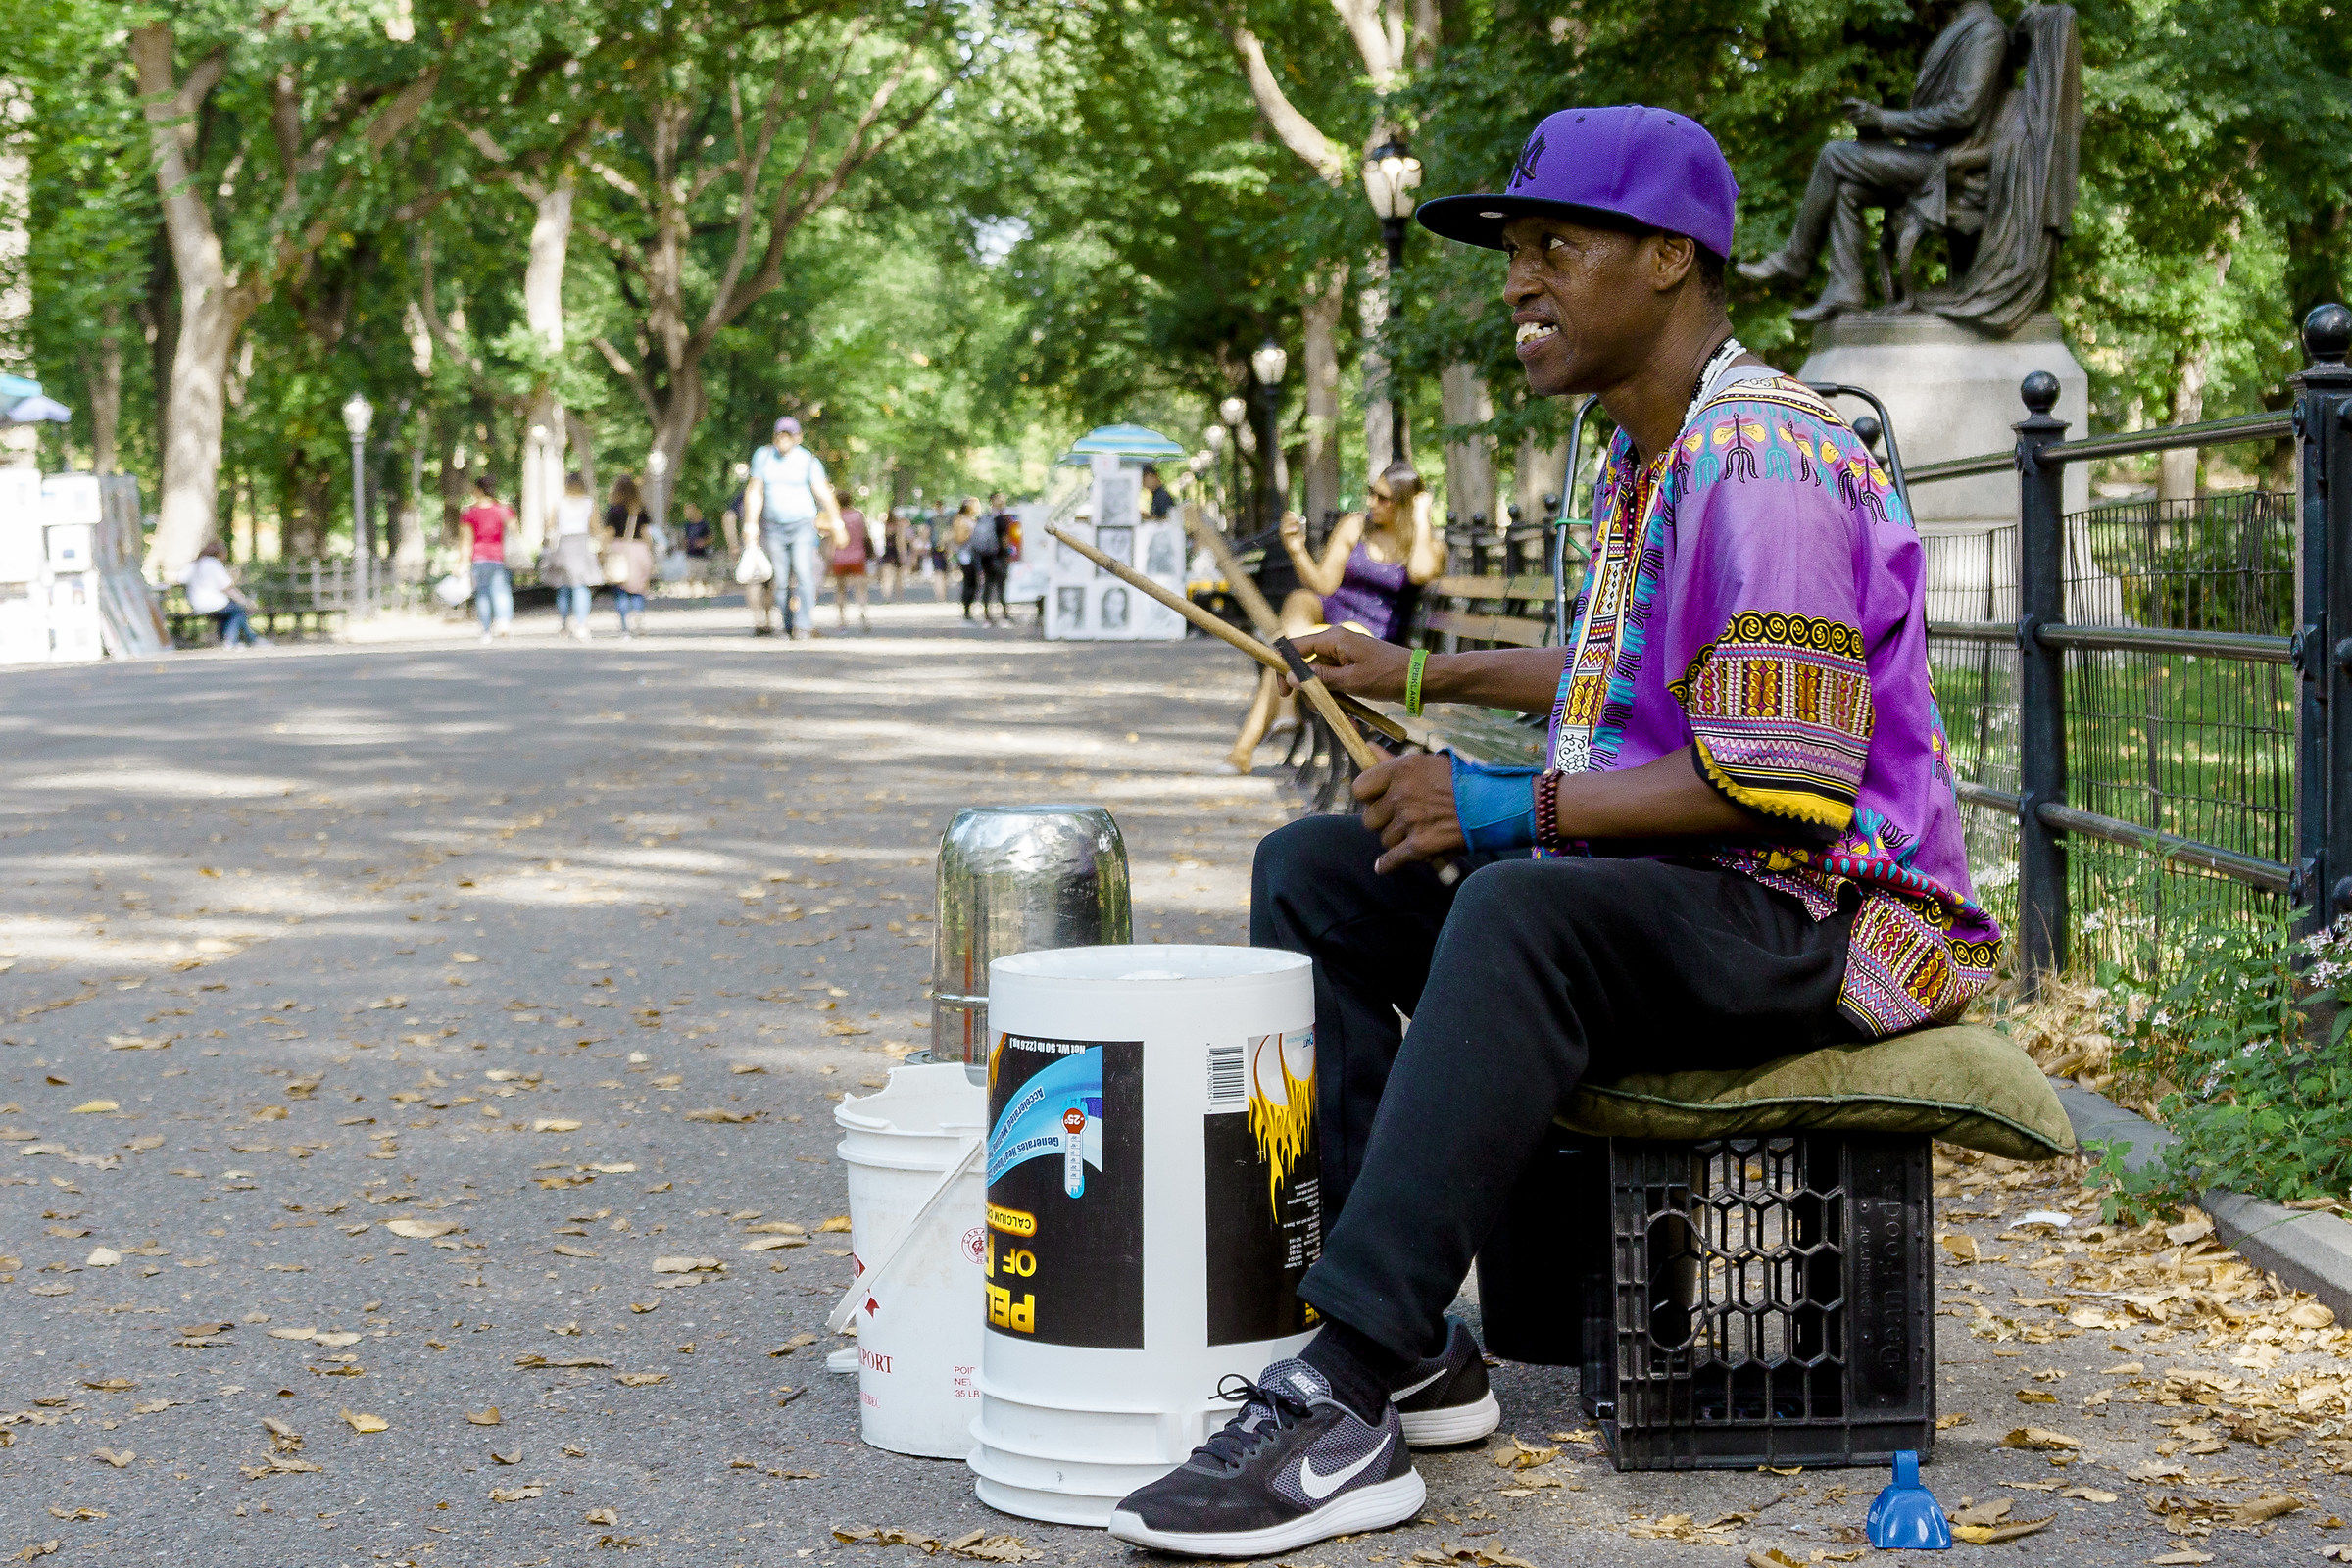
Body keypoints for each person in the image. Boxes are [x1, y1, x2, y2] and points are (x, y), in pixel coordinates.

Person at [1106, 105, 2000, 1558]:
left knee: (1513, 903)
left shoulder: (1762, 457)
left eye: (1552, 248)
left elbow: (1786, 784)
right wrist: (1415, 675)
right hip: (1686, 880)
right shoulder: (1640, 449)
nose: (1518, 281)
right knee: (1324, 871)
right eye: (1514, 252)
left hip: (1829, 915)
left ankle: (1340, 1387)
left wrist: (1498, 803)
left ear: (1665, 260)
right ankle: (1410, 1339)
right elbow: (1612, 669)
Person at [1222, 462, 1445, 775]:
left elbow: (1421, 571)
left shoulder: (1428, 547)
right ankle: (1279, 712)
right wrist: (1297, 549)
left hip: (1369, 640)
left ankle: (1243, 750)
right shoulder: (1356, 526)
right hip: (1325, 623)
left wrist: (1422, 517)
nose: (1372, 502)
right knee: (1299, 601)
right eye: (1371, 493)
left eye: (1383, 498)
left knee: (1297, 650)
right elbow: (1325, 584)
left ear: (1407, 504)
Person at [743, 416, 848, 641]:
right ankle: (786, 623)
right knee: (780, 578)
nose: (784, 439)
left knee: (803, 572)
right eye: (780, 435)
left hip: (802, 525)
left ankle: (803, 624)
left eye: (789, 435)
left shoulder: (807, 460)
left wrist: (837, 521)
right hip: (773, 527)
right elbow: (755, 491)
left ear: (797, 438)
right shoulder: (763, 457)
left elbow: (823, 492)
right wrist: (751, 523)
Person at [545, 471, 603, 640]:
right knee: (581, 585)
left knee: (563, 586)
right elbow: (595, 527)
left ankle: (564, 623)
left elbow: (550, 525)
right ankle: (582, 623)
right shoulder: (589, 503)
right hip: (582, 544)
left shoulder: (559, 503)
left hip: (564, 544)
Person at [460, 474, 515, 642]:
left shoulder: (470, 513)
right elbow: (514, 531)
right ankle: (504, 622)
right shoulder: (503, 510)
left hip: (479, 557)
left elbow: (466, 540)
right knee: (501, 591)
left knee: (482, 592)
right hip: (499, 556)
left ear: (477, 490)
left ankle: (486, 630)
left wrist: (462, 561)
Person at [179, 541, 262, 649]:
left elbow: (179, 579)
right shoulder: (214, 564)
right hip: (214, 603)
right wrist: (246, 602)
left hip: (196, 604)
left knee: (230, 613)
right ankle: (233, 641)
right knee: (239, 611)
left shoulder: (195, 564)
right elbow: (228, 588)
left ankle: (251, 639)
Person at [602, 474, 656, 639]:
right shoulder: (640, 510)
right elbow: (646, 533)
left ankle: (625, 625)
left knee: (621, 588)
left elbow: (609, 533)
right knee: (638, 588)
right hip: (639, 550)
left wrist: (603, 551)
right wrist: (650, 552)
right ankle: (638, 617)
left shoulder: (613, 509)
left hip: (619, 550)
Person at [827, 500, 875, 632]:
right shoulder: (858, 515)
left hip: (839, 558)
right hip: (857, 556)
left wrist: (829, 559)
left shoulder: (835, 516)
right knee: (860, 588)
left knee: (840, 590)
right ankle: (863, 613)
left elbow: (831, 539)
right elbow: (865, 535)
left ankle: (842, 620)